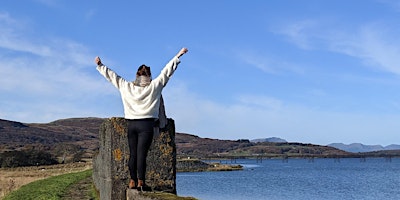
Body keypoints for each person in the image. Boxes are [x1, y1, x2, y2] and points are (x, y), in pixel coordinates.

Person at [94, 47, 188, 191]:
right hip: (146, 125)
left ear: (137, 76)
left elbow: (113, 77)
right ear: (149, 75)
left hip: (131, 124)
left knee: (133, 154)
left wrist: (101, 66)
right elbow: (167, 72)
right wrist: (178, 56)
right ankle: (141, 182)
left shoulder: (127, 87)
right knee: (141, 154)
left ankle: (132, 181)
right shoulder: (154, 87)